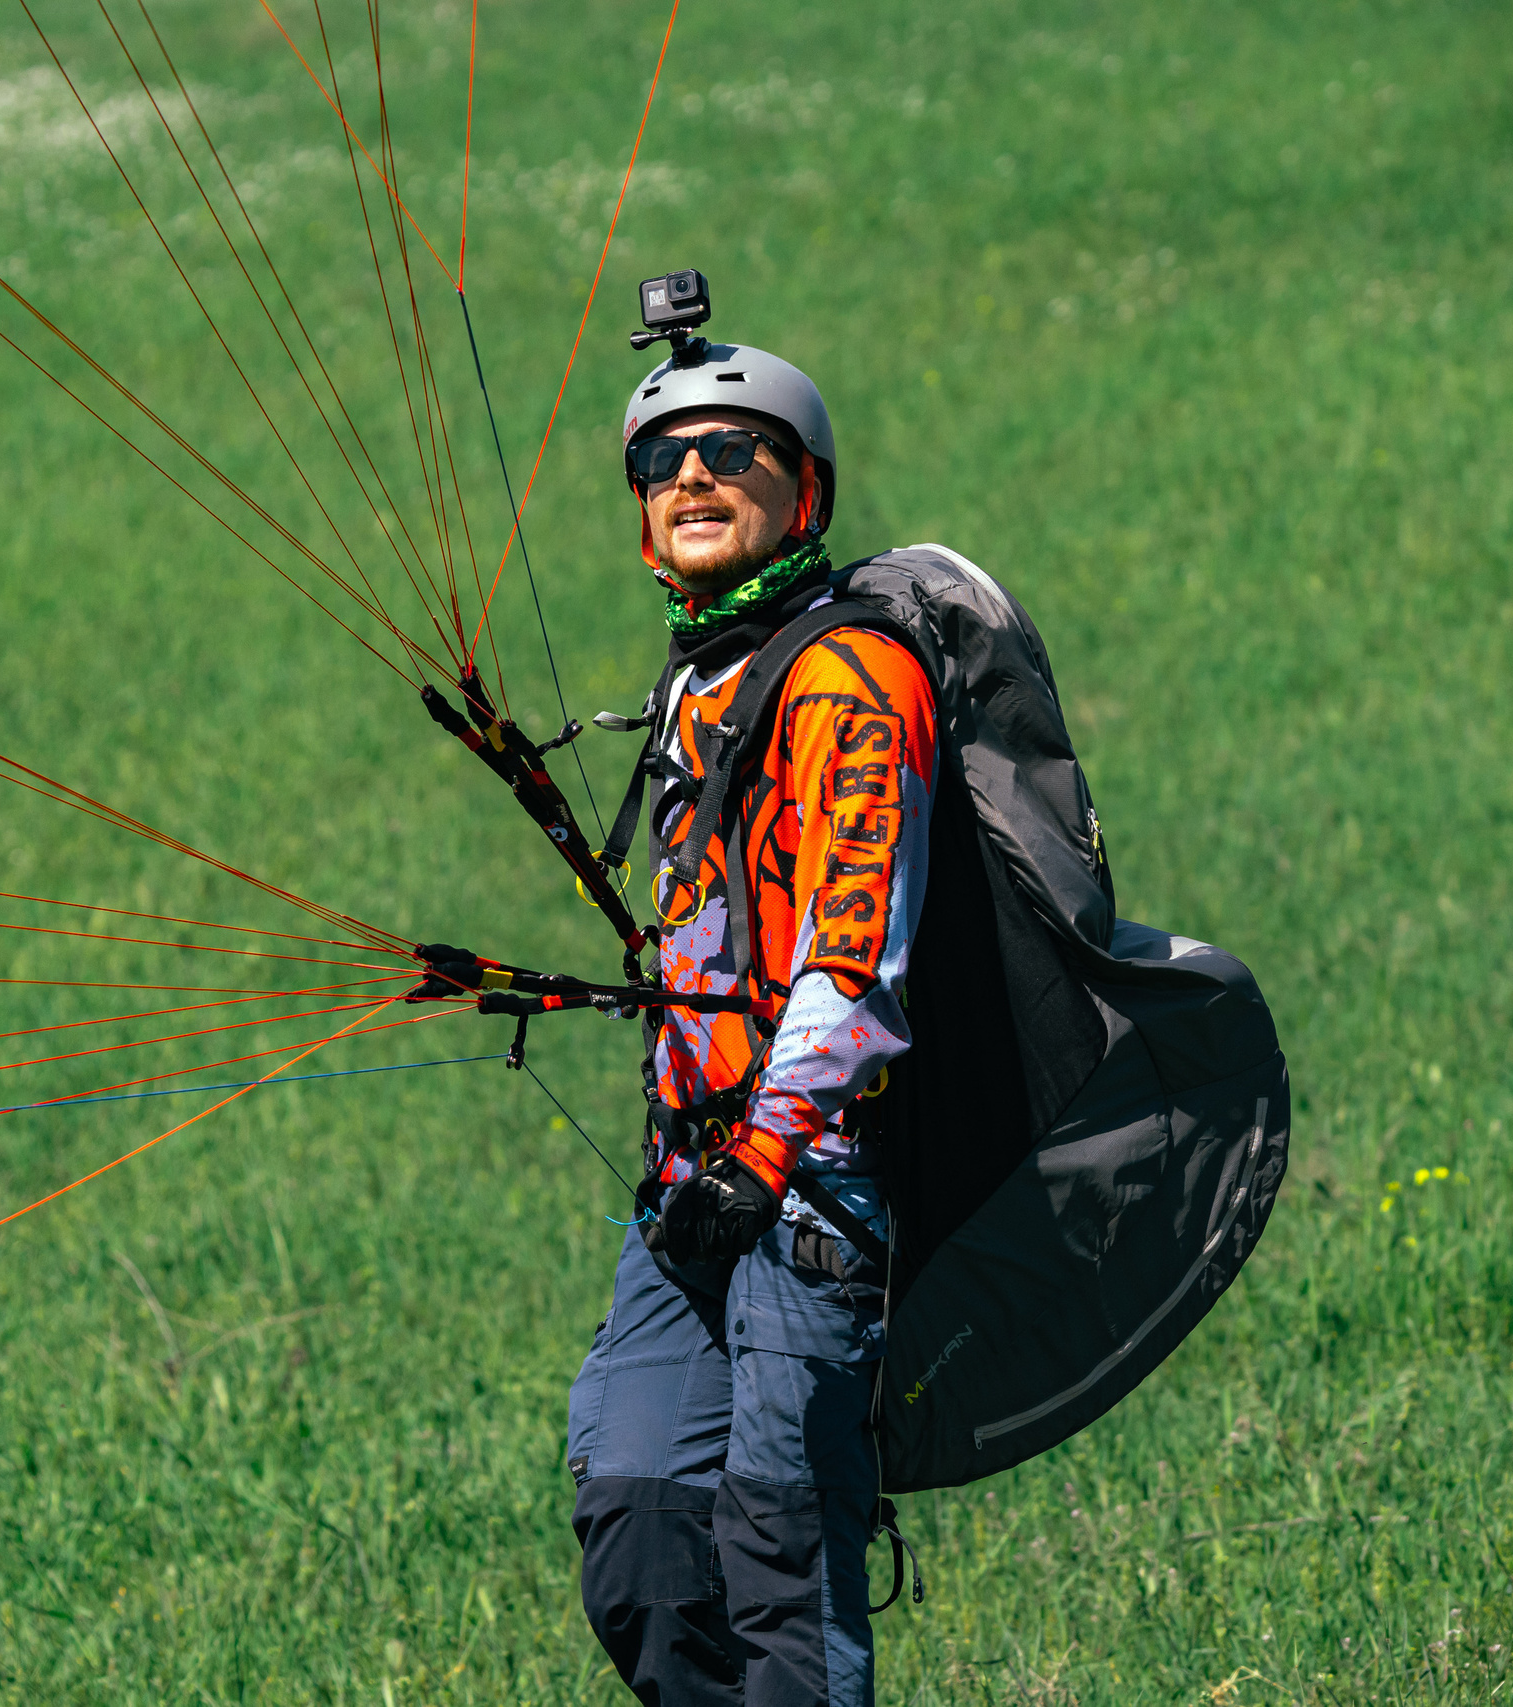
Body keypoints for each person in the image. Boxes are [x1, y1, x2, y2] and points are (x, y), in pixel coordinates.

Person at [566, 340, 936, 1706]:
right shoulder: (698, 676)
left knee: (779, 1562)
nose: (696, 478)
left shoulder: (845, 678)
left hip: (806, 1191)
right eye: (662, 464)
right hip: (688, 1184)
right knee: (643, 1537)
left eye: (737, 453)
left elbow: (855, 946)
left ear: (809, 489)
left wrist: (766, 1154)